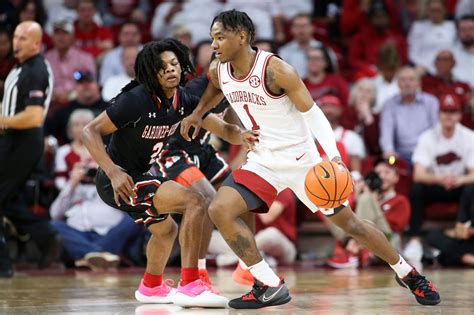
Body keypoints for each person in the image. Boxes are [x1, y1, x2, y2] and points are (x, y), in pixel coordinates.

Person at [180, 10, 440, 309]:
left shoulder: (276, 70)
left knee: (351, 224)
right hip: (263, 158)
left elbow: (313, 114)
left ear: (242, 37)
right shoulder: (219, 69)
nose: (214, 44)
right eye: (213, 38)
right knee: (221, 209)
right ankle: (268, 282)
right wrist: (198, 114)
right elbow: (215, 88)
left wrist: (332, 158)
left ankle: (407, 272)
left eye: (220, 37)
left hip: (303, 161)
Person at [82, 38, 257, 307]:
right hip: (116, 179)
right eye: (163, 67)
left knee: (166, 231)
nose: (171, 69)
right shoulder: (135, 100)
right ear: (151, 72)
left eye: (174, 63)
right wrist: (113, 172)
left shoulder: (184, 101)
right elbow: (89, 131)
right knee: (195, 201)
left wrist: (244, 135)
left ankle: (151, 286)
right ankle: (191, 284)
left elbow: (223, 129)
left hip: (138, 177)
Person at [51, 109, 143, 270]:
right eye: (76, 125)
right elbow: (55, 211)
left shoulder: (108, 152)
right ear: (70, 129)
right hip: (78, 227)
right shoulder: (65, 153)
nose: (80, 129)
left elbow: (126, 193)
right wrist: (73, 182)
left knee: (134, 220)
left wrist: (104, 175)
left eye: (84, 125)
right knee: (54, 225)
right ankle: (101, 254)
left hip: (109, 226)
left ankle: (86, 255)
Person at [0, 21, 55, 277]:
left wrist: (3, 121)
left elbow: (34, 117)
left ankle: (3, 265)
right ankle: (47, 237)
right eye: (16, 36)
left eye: (24, 38)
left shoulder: (35, 71)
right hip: (15, 139)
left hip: (22, 140)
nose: (17, 42)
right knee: (7, 200)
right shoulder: (22, 66)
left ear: (37, 42)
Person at [404, 94, 474, 266]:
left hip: (459, 185)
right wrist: (439, 179)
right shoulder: (427, 137)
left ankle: (462, 227)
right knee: (417, 189)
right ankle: (414, 239)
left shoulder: (469, 136)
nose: (448, 115)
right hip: (436, 184)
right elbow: (418, 175)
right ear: (439, 113)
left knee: (471, 187)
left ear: (459, 114)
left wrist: (459, 179)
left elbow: (473, 174)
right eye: (445, 111)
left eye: (453, 111)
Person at [326, 158, 411, 269]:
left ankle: (353, 253)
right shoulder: (363, 196)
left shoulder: (400, 200)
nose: (382, 176)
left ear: (396, 177)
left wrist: (372, 202)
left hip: (388, 243)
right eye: (378, 173)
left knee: (366, 199)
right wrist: (355, 198)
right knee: (328, 204)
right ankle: (355, 251)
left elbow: (394, 228)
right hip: (360, 238)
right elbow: (350, 221)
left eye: (387, 172)